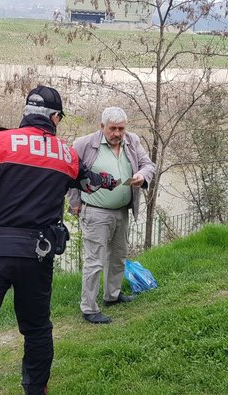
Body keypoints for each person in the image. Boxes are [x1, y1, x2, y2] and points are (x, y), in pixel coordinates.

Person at [0, 85, 117, 395]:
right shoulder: (66, 153)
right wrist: (108, 180)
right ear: (55, 117)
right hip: (37, 257)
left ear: (27, 113)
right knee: (37, 331)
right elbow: (89, 182)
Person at [67, 107, 156, 324]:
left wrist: (141, 176)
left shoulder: (132, 141)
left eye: (121, 129)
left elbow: (148, 165)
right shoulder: (84, 144)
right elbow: (70, 174)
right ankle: (89, 307)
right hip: (95, 212)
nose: (117, 133)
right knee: (94, 262)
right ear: (102, 126)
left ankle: (112, 296)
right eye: (112, 128)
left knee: (118, 257)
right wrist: (75, 203)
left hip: (122, 211)